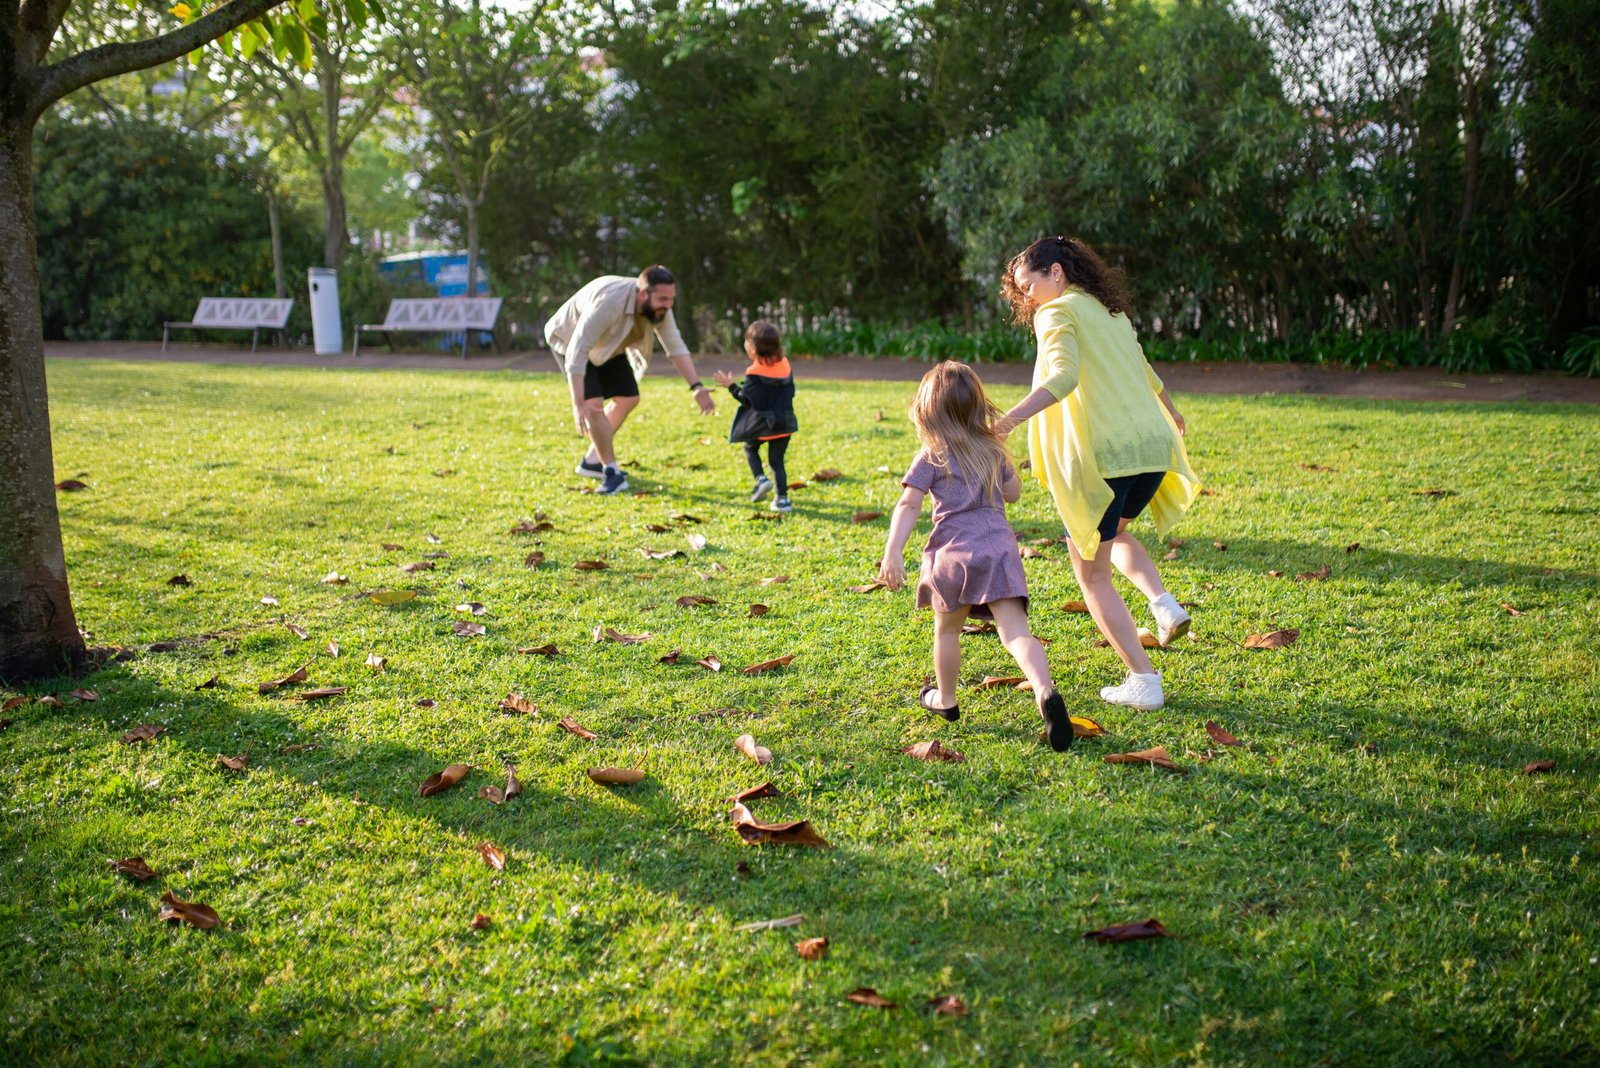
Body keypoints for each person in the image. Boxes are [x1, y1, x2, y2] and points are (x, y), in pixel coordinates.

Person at [993, 236, 1201, 712]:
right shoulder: (1112, 314)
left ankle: (1143, 680)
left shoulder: (1056, 311)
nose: (1027, 298)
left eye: (1030, 285)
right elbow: (1146, 371)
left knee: (1092, 574)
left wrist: (1007, 421)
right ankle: (1162, 603)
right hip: (1150, 449)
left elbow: (1062, 377)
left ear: (1057, 273)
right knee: (1113, 534)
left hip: (1106, 458)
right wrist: (1172, 413)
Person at [878, 362, 1073, 752]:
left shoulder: (931, 453)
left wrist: (893, 551)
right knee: (1016, 632)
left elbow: (908, 503)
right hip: (998, 548)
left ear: (928, 411)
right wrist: (1004, 457)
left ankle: (945, 701)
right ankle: (1045, 690)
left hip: (952, 553)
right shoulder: (990, 448)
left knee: (947, 631)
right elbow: (1014, 493)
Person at [544, 266, 716, 495]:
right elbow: (578, 349)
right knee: (593, 406)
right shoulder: (610, 302)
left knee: (628, 398)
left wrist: (696, 387)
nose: (668, 305)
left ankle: (592, 461)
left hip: (609, 347)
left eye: (671, 299)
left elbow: (675, 346)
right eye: (663, 299)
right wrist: (578, 403)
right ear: (643, 294)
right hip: (570, 341)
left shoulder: (660, 308)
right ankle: (611, 472)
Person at [712, 320, 798, 513]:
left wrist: (731, 386)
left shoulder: (754, 372)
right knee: (777, 462)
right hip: (785, 422)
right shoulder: (784, 364)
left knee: (750, 447)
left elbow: (747, 400)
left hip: (764, 424)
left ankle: (761, 479)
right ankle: (782, 500)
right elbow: (791, 391)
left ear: (753, 347)